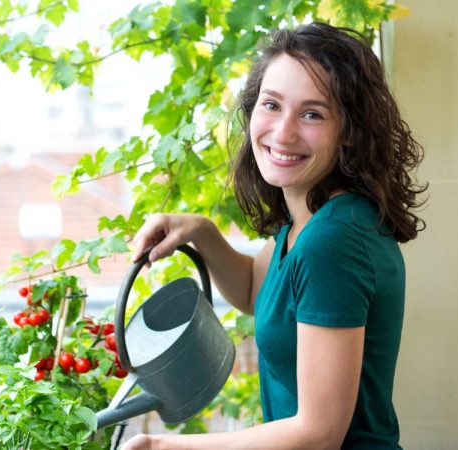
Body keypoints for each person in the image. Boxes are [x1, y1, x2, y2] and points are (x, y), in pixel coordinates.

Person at [122, 22, 427, 450]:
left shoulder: (333, 240)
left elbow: (319, 434)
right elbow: (256, 291)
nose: (283, 133)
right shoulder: (311, 214)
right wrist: (202, 232)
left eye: (312, 114)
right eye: (271, 105)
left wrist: (165, 446)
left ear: (350, 131)